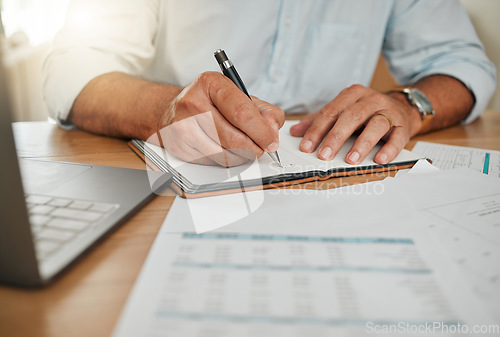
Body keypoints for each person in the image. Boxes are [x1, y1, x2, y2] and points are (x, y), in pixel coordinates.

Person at [43, 0, 496, 167]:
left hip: (331, 174)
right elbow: (71, 69)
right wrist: (164, 110)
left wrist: (409, 104)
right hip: (173, 173)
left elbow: (462, 63)